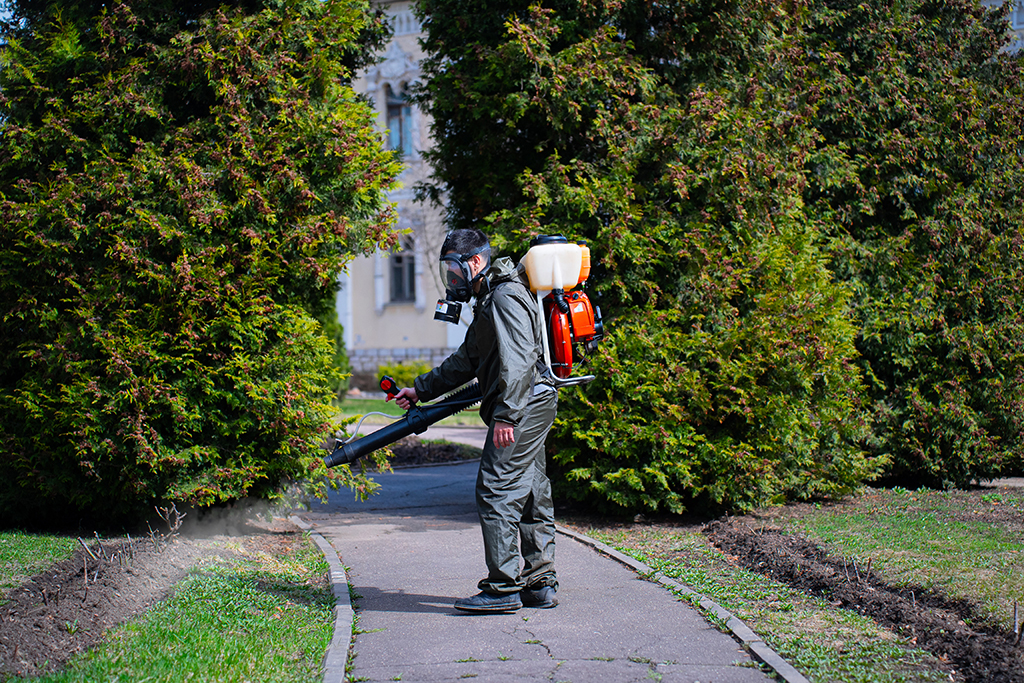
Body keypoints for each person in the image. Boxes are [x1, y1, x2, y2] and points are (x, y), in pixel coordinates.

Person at [393, 228, 559, 613]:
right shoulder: (490, 298)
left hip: (523, 406)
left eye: (454, 271)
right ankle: (539, 582)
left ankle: (503, 590)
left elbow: (518, 363)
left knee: (496, 489)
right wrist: (422, 390)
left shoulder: (504, 298)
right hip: (530, 403)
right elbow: (467, 359)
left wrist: (507, 416)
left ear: (476, 262)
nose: (451, 280)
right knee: (532, 488)